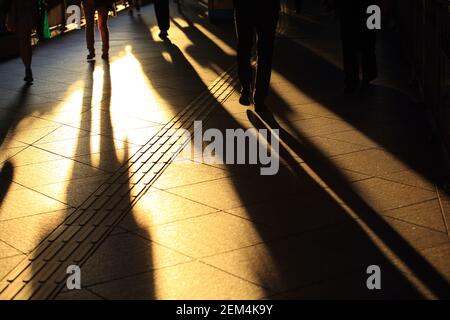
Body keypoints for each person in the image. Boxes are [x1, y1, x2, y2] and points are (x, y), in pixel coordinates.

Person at [234, 0, 280, 113]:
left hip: (244, 6)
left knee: (244, 47)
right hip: (269, 7)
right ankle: (260, 98)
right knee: (265, 52)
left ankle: (245, 88)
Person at [335, 0, 378, 93]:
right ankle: (368, 74)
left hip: (348, 7)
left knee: (349, 44)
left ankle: (352, 78)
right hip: (372, 6)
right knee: (369, 42)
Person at [5, 0, 36, 83]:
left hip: (20, 18)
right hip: (28, 17)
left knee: (23, 43)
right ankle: (28, 68)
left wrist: (11, 20)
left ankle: (27, 68)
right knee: (27, 43)